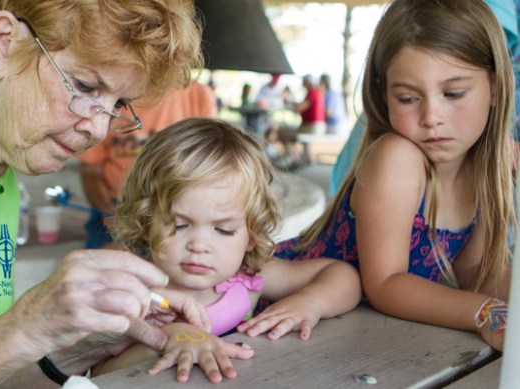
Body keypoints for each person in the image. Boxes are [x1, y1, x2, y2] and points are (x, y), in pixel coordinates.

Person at [0, 2, 253, 387]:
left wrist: (78, 345)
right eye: (85, 86)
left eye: (118, 104)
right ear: (4, 43)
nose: (99, 129)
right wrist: (27, 325)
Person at [274, 0, 514, 352]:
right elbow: (385, 284)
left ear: (494, 87)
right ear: (383, 94)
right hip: (286, 314)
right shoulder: (397, 157)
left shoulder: (482, 168)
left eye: (453, 93)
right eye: (407, 98)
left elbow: (473, 272)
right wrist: (487, 313)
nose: (432, 116)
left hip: (359, 340)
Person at [92, 118, 362, 382]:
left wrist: (311, 303)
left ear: (251, 236)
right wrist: (162, 341)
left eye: (223, 230)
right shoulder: (133, 290)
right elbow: (97, 373)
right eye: (179, 225)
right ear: (146, 221)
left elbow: (342, 275)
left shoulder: (247, 278)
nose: (199, 245)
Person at [79, 81, 219, 249]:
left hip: (177, 211)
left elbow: (211, 162)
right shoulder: (111, 93)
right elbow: (90, 169)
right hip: (115, 209)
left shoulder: (198, 94)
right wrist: (109, 214)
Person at [278, 74, 326, 165]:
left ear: (308, 82)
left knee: (281, 132)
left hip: (311, 127)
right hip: (316, 126)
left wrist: (289, 105)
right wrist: (291, 103)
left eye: (304, 81)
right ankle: (298, 157)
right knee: (291, 133)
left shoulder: (312, 93)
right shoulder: (316, 92)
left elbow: (300, 108)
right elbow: (302, 105)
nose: (302, 83)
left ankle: (294, 157)